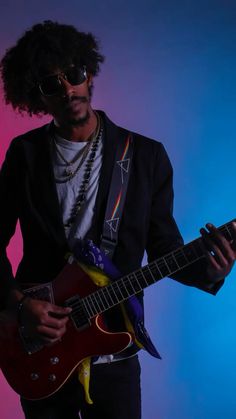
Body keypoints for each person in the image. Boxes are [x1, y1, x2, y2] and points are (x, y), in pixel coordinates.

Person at [0, 21, 235, 419]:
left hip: (117, 348)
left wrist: (213, 271)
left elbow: (166, 249)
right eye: (51, 84)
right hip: (39, 345)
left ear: (89, 73)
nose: (69, 90)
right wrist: (18, 305)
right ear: (37, 96)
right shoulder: (24, 155)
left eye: (74, 75)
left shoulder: (145, 157)